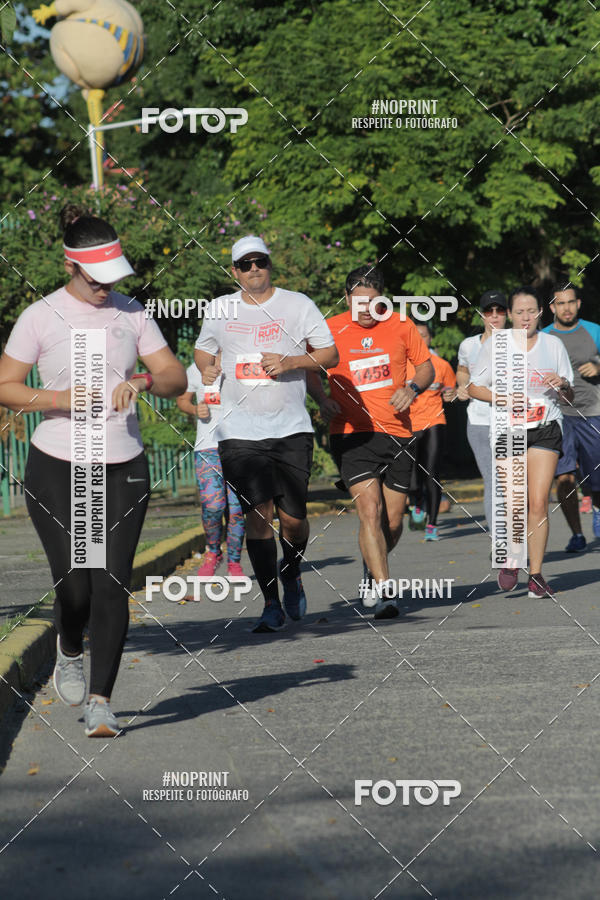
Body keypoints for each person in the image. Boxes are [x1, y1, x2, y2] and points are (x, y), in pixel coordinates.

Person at [0, 203, 186, 736]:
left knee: (110, 583)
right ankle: (68, 645)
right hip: (57, 464)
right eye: (95, 278)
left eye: (112, 277)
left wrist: (144, 383)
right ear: (70, 267)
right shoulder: (40, 316)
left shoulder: (131, 313)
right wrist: (58, 396)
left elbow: (174, 376)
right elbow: (6, 385)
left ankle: (102, 701)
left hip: (122, 462)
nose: (106, 287)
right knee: (75, 589)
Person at [194, 235, 338, 633]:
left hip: (290, 429)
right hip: (238, 431)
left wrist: (291, 360)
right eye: (245, 264)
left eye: (260, 262)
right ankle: (270, 602)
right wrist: (207, 368)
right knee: (258, 515)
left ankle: (291, 571)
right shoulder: (219, 309)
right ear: (234, 271)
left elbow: (329, 354)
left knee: (293, 520)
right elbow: (203, 350)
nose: (254, 268)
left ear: (269, 264)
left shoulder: (297, 304)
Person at [310, 265, 434, 618]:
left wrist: (411, 388)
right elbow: (306, 368)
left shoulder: (400, 324)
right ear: (347, 298)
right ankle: (385, 592)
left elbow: (426, 367)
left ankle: (371, 567)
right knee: (370, 510)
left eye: (372, 302)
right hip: (351, 433)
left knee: (392, 523)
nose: (365, 310)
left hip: (397, 432)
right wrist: (321, 399)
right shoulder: (329, 328)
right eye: (358, 302)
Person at [469, 286, 574, 598]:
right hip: (508, 428)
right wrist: (503, 397)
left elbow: (569, 397)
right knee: (516, 502)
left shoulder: (553, 345)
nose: (526, 317)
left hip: (545, 426)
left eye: (532, 311)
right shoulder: (496, 345)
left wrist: (562, 383)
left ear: (541, 312)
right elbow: (474, 387)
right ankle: (513, 559)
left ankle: (537, 574)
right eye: (519, 312)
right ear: (510, 315)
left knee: (538, 502)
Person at [542, 284, 600, 550]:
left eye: (570, 302)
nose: (566, 308)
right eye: (560, 303)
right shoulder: (543, 337)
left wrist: (598, 365)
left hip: (591, 412)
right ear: (552, 307)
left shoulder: (594, 331)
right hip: (557, 415)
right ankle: (577, 534)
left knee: (595, 475)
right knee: (564, 477)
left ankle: (597, 508)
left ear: (578, 304)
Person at [176, 358, 245, 577]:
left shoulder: (241, 362)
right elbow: (182, 400)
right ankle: (213, 552)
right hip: (207, 447)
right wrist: (195, 409)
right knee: (213, 505)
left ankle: (235, 562)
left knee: (236, 511)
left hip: (239, 446)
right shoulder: (195, 369)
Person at [456, 291, 508, 535]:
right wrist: (462, 386)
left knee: (512, 482)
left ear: (507, 314)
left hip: (512, 420)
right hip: (479, 421)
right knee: (493, 480)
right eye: (489, 311)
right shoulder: (469, 345)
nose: (494, 316)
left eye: (500, 311)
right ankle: (500, 538)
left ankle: (514, 532)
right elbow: (463, 371)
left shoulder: (518, 343)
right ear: (481, 315)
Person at [406, 322, 457, 541]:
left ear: (430, 339)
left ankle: (432, 525)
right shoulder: (402, 366)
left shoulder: (442, 365)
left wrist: (451, 394)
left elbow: (451, 390)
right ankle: (417, 504)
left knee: (432, 473)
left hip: (435, 421)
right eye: (416, 336)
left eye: (424, 335)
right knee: (413, 479)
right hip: (409, 425)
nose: (421, 340)